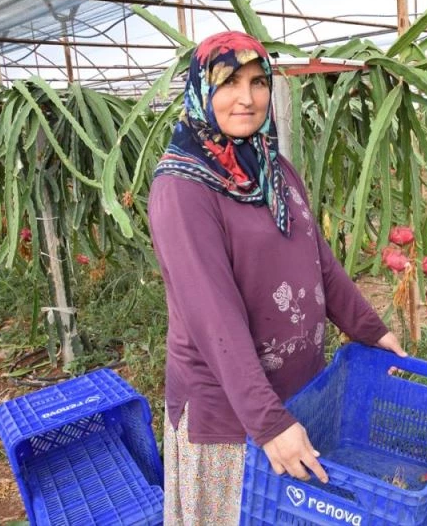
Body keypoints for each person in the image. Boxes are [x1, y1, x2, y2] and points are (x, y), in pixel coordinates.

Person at [147, 31, 405, 525]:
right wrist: (267, 422)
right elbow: (212, 318)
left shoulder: (274, 168)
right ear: (201, 89)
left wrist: (371, 330)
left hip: (297, 391)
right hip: (230, 414)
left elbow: (319, 263)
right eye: (229, 82)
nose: (246, 98)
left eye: (258, 82)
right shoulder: (182, 189)